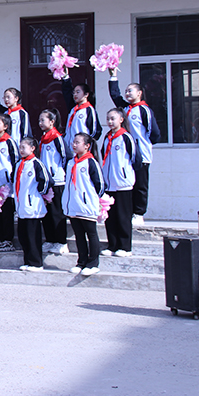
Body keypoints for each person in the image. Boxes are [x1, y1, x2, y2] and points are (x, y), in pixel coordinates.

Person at [108, 69, 160, 226]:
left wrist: (142, 144)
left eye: (130, 90)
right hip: (125, 155)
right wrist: (113, 76)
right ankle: (128, 212)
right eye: (126, 91)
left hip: (141, 153)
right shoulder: (124, 110)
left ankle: (139, 212)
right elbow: (115, 96)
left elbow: (154, 133)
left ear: (139, 93)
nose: (127, 93)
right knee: (127, 184)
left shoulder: (144, 110)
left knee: (140, 184)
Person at [62, 133, 105, 276]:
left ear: (87, 146)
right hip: (74, 206)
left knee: (91, 234)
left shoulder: (91, 162)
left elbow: (100, 185)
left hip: (86, 206)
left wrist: (90, 199)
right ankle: (81, 262)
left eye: (77, 142)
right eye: (73, 142)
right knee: (79, 235)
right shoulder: (71, 163)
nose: (74, 145)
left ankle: (93, 263)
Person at [101, 108, 136, 258]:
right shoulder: (107, 137)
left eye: (113, 118)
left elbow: (135, 158)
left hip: (123, 184)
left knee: (123, 216)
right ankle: (113, 245)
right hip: (109, 184)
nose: (110, 122)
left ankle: (125, 246)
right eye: (108, 119)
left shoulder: (126, 137)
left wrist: (125, 174)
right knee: (110, 217)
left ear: (121, 120)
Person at [12, 137, 50, 272]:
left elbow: (46, 181)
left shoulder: (36, 163)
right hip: (21, 206)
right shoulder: (19, 164)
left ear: (33, 148)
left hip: (32, 205)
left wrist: (37, 194)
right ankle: (27, 261)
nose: (21, 150)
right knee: (23, 236)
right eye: (20, 147)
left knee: (33, 236)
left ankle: (36, 262)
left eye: (24, 147)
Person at [38, 109, 72, 255]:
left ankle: (61, 241)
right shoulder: (43, 139)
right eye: (39, 120)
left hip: (57, 181)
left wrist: (58, 172)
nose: (40, 123)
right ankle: (50, 239)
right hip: (46, 182)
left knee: (57, 213)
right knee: (47, 213)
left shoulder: (57, 138)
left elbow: (66, 156)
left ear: (52, 122)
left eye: (43, 120)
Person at [0, 114, 18, 252]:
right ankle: (0, 239)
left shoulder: (9, 142)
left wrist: (12, 178)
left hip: (7, 185)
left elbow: (15, 160)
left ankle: (8, 240)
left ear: (6, 126)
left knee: (7, 213)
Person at [61, 75, 102, 151]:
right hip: (71, 148)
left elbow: (95, 131)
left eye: (78, 92)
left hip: (83, 149)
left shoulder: (89, 110)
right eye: (74, 92)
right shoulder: (73, 109)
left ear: (86, 94)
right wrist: (66, 78)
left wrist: (86, 144)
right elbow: (67, 93)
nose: (75, 95)